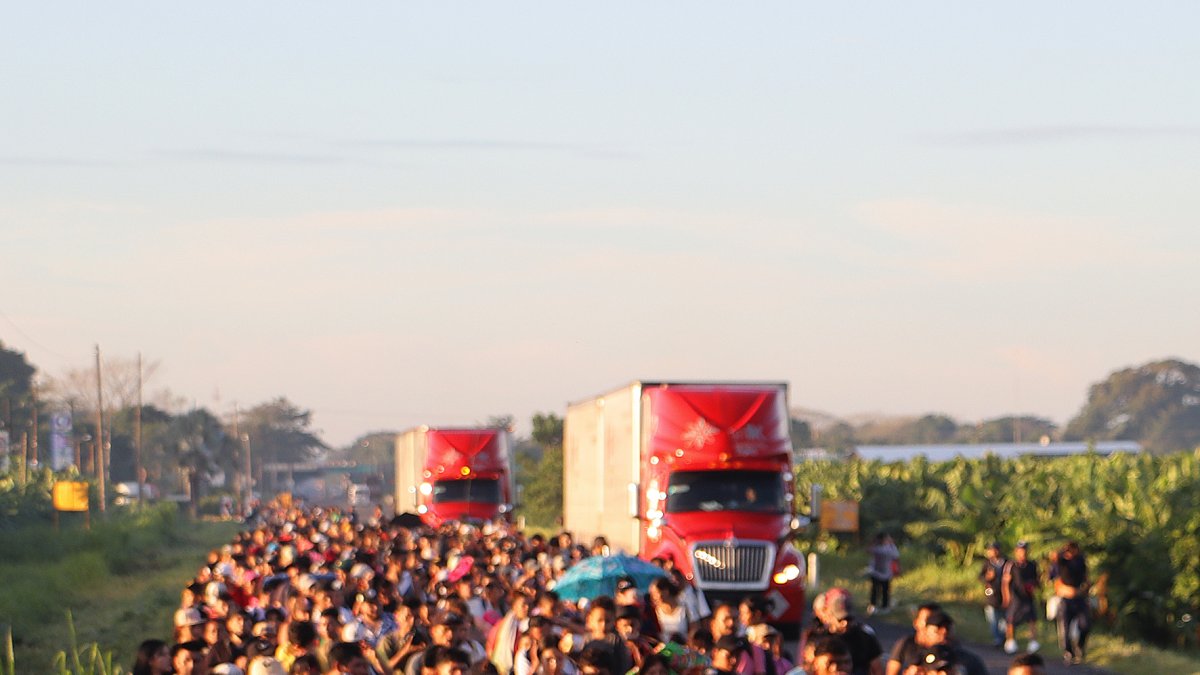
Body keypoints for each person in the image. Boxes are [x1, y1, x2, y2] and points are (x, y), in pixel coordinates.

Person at [1049, 541, 1090, 665]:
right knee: (1065, 630)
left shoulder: (1080, 561)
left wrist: (1081, 591)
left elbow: (1086, 579)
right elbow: (1055, 580)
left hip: (1079, 598)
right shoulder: (1061, 562)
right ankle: (1068, 652)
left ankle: (1080, 647)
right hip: (1065, 599)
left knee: (1085, 625)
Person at [1000, 542, 1039, 655]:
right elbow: (1005, 582)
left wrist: (1033, 586)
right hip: (1015, 596)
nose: (1023, 553)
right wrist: (1006, 597)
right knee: (1011, 619)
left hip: (1028, 596)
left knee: (1032, 619)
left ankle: (1033, 642)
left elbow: (1037, 580)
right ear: (1016, 552)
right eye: (1021, 551)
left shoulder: (1032, 565)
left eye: (1025, 550)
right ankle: (1010, 641)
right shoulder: (1011, 565)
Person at [978, 542, 1007, 648]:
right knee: (992, 618)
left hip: (1004, 594)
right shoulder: (987, 564)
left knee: (1005, 618)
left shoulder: (1006, 562)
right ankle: (997, 639)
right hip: (992, 595)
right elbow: (980, 577)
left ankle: (1004, 638)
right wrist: (988, 577)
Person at [866, 533, 900, 615]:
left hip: (886, 572)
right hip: (876, 572)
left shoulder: (890, 547)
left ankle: (884, 606)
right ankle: (874, 606)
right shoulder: (877, 547)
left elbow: (896, 557)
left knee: (885, 590)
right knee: (875, 590)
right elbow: (868, 550)